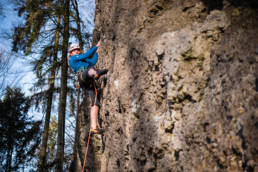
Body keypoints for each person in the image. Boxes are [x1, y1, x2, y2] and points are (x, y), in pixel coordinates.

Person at [69, 42, 108, 134]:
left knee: (95, 102)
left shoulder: (84, 61)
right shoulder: (73, 59)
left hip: (87, 83)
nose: (77, 52)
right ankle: (96, 74)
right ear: (71, 53)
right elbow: (87, 54)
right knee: (89, 70)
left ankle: (93, 127)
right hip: (82, 76)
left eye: (78, 50)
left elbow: (93, 61)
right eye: (74, 50)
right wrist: (96, 46)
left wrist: (98, 52)